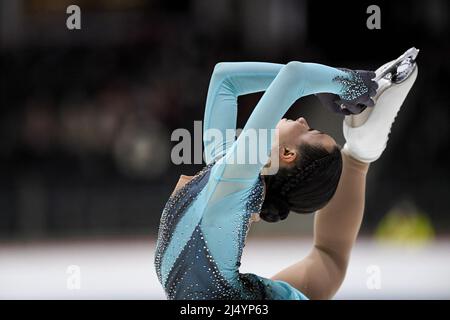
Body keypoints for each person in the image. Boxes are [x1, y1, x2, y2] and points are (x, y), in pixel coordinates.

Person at [154, 53, 417, 299]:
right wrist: (328, 84)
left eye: (310, 130)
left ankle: (361, 152)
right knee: (328, 258)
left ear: (288, 153)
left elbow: (294, 76)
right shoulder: (224, 169)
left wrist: (345, 83)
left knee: (328, 259)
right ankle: (362, 150)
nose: (302, 120)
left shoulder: (232, 176)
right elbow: (225, 78)